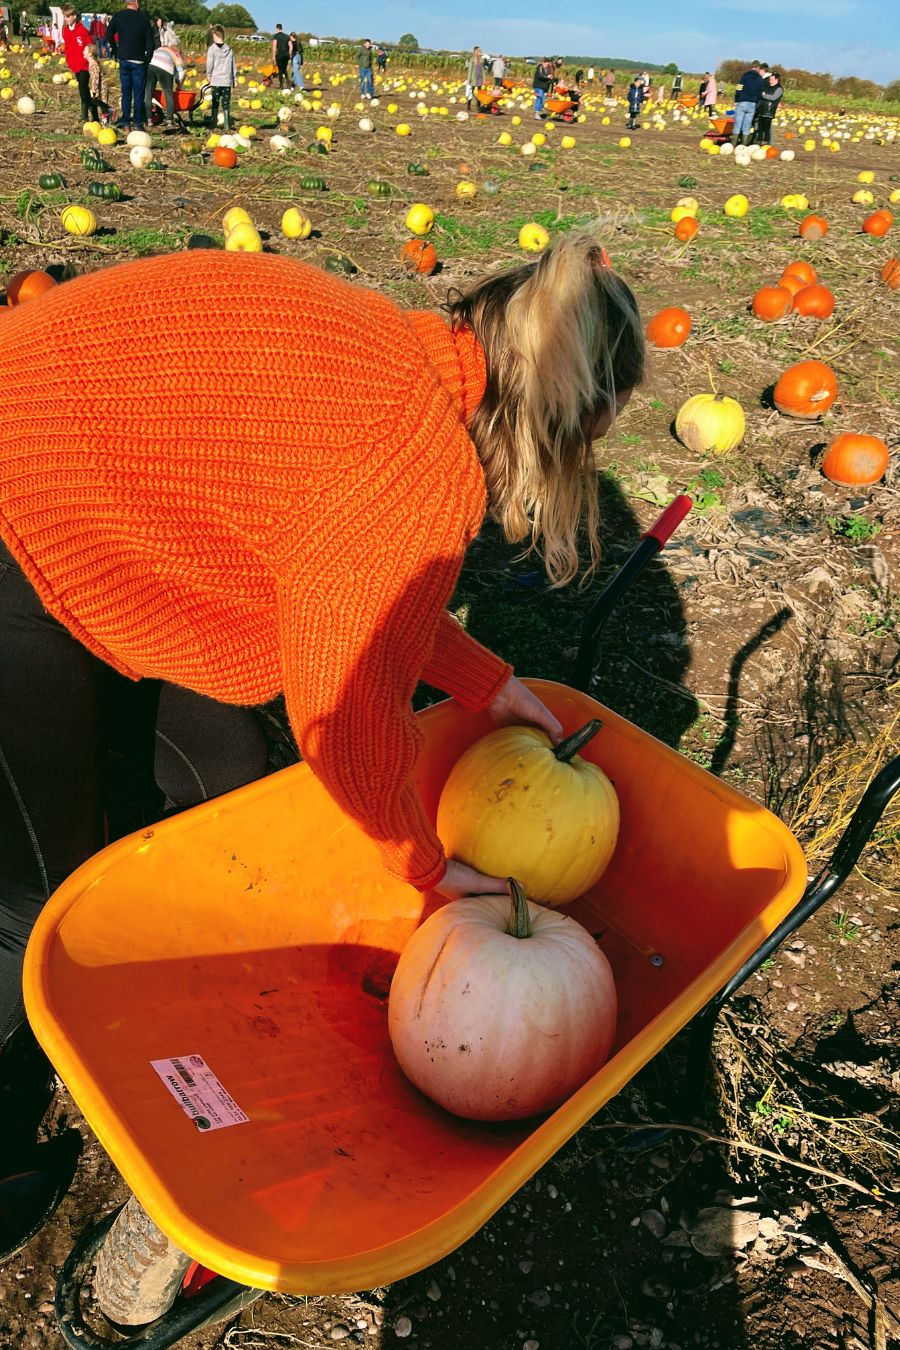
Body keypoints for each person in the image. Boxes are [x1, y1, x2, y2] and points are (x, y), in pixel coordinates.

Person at [0, 235, 644, 1257]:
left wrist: (490, 684)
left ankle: (143, 966)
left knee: (224, 781)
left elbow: (357, 586)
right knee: (23, 897)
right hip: (19, 494)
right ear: (562, 426)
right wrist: (428, 869)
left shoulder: (405, 369)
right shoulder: (417, 464)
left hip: (93, 487)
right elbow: (343, 716)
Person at [106, 0, 153, 131]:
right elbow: (150, 41)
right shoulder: (143, 18)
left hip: (124, 59)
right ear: (136, 2)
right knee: (138, 94)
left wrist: (115, 50)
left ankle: (126, 122)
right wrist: (147, 58)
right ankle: (137, 123)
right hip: (139, 61)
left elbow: (108, 34)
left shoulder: (118, 16)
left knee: (126, 92)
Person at [61, 4, 91, 122]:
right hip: (75, 64)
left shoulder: (82, 30)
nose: (66, 19)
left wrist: (89, 55)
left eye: (68, 17)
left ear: (74, 16)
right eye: (65, 17)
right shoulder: (66, 30)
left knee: (82, 86)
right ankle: (93, 111)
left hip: (85, 64)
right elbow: (68, 45)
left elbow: (89, 44)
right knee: (84, 89)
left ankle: (84, 115)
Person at [147, 36, 183, 129]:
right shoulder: (176, 54)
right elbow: (181, 73)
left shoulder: (160, 48)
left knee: (148, 92)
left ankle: (149, 119)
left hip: (150, 64)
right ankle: (170, 121)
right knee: (168, 93)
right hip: (165, 68)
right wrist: (179, 85)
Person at [205, 22, 235, 130]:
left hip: (216, 80)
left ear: (215, 35)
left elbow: (209, 64)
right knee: (226, 103)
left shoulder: (212, 49)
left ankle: (213, 124)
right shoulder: (229, 49)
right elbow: (233, 66)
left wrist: (208, 75)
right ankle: (226, 126)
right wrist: (234, 80)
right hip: (226, 81)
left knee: (215, 102)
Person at [731, 59, 764, 144]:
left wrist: (736, 99)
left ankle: (733, 144)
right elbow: (760, 94)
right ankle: (743, 145)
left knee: (737, 124)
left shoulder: (745, 76)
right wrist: (756, 102)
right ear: (758, 68)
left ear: (751, 66)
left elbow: (738, 88)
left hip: (742, 102)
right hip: (752, 104)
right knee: (747, 126)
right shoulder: (760, 79)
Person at [753, 71, 783, 144]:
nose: (770, 81)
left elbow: (773, 97)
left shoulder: (779, 89)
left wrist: (764, 95)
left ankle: (767, 142)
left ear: (776, 80)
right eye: (770, 79)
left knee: (767, 128)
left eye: (771, 79)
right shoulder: (767, 87)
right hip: (761, 110)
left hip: (769, 111)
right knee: (760, 128)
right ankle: (759, 141)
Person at [84, 42, 112, 121]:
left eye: (85, 51)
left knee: (101, 104)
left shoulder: (93, 64)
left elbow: (95, 78)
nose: (83, 52)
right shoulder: (91, 63)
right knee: (99, 103)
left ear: (90, 54)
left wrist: (94, 91)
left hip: (101, 88)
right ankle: (106, 117)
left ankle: (106, 120)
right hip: (99, 87)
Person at [464, 44, 483, 111]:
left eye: (480, 50)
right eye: (479, 50)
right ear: (475, 51)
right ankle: (468, 105)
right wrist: (469, 79)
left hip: (479, 79)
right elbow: (470, 70)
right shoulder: (472, 60)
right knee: (471, 92)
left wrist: (484, 79)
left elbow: (482, 70)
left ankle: (479, 106)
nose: (480, 51)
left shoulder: (481, 59)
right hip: (473, 79)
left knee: (480, 93)